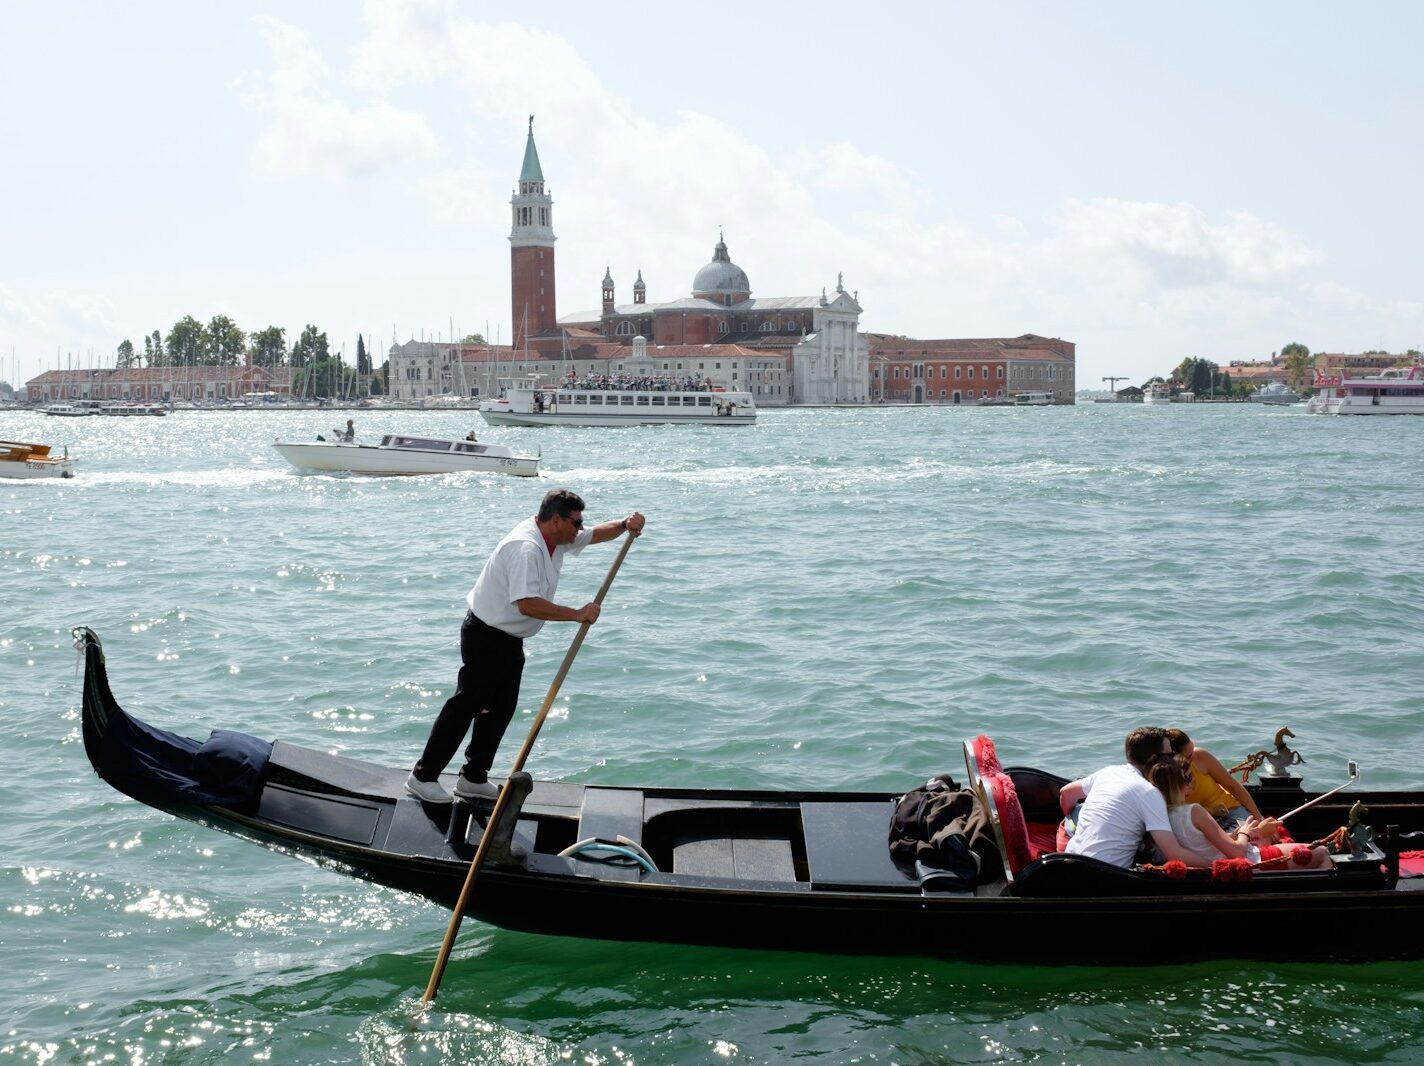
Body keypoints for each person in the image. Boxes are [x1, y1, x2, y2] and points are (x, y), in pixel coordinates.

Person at [406, 489, 646, 803]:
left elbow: (596, 535)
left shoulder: (558, 537)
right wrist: (577, 614)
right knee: (466, 706)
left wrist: (625, 524)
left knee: (501, 709)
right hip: (484, 634)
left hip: (509, 640)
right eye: (576, 522)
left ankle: (473, 778)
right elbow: (527, 604)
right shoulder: (526, 548)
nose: (579, 528)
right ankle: (423, 776)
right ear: (556, 520)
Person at [1147, 758, 1333, 870]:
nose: (1193, 781)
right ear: (1182, 785)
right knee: (1323, 852)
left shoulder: (1160, 815)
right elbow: (1236, 851)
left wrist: (1236, 834)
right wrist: (1244, 832)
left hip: (1227, 858)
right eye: (1189, 777)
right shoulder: (1194, 810)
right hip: (1250, 862)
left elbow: (1197, 842)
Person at [1057, 726, 1198, 869]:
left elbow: (1065, 793)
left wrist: (1069, 817)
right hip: (1105, 874)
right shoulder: (1149, 792)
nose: (1173, 759)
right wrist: (1214, 863)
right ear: (1153, 758)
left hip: (1069, 862)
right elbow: (1173, 853)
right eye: (1169, 754)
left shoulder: (1108, 772)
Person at [1165, 728, 1268, 833]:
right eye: (1190, 755)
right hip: (1198, 821)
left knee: (1257, 834)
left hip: (1230, 810)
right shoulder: (1164, 780)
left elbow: (1234, 787)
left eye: (1193, 747)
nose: (1195, 755)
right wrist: (1210, 812)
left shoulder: (1200, 756)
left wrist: (1260, 819)